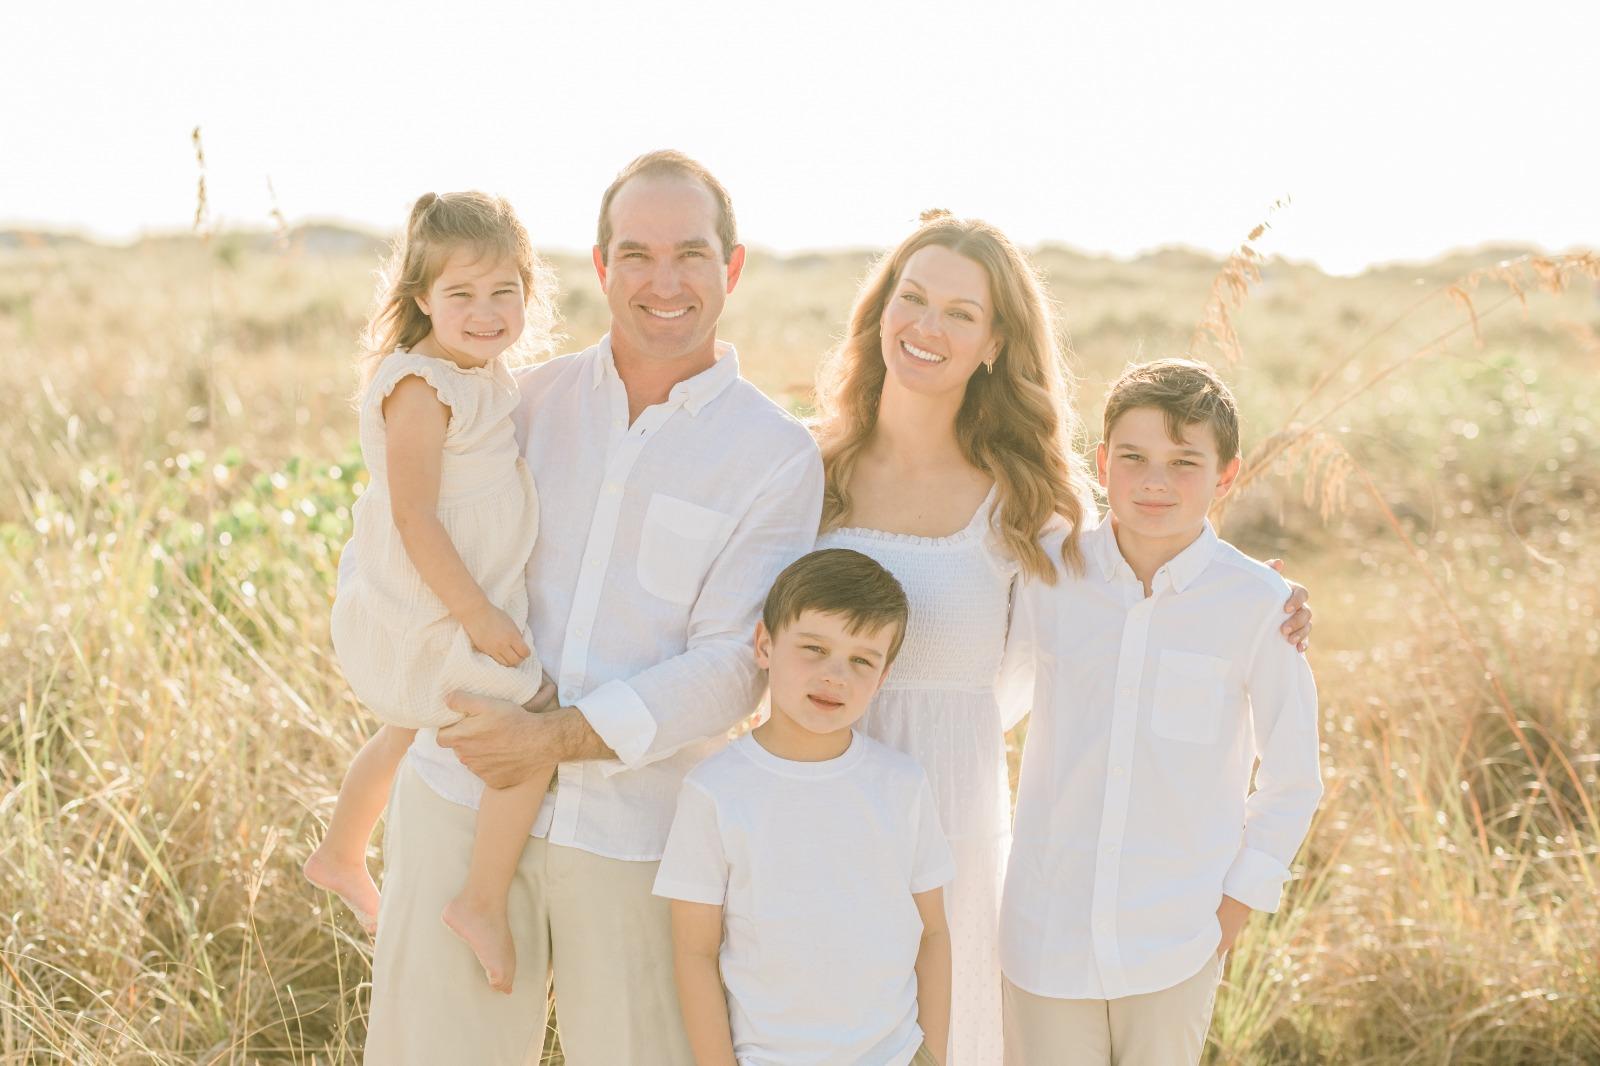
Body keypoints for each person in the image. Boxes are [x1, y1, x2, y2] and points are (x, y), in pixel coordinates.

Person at [810, 211, 1314, 1064]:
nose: (929, 325)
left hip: (956, 817)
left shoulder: (1028, 510)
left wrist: (1256, 593)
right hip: (814, 805)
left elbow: (1144, 558)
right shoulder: (803, 469)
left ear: (996, 342)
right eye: (914, 298)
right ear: (880, 307)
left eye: (961, 312)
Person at [360, 152, 824, 1065]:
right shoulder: (520, 402)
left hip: (636, 831)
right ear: (603, 266)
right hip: (461, 797)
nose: (664, 281)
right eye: (636, 254)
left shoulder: (774, 455)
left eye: (690, 254)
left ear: (731, 267)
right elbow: (414, 541)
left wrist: (554, 739)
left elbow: (734, 663)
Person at [998, 359, 1324, 1065]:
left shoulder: (1257, 605)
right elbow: (990, 705)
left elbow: (1294, 780)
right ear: (1102, 463)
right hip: (1045, 934)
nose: (1155, 481)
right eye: (1134, 458)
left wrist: (1229, 915)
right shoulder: (1048, 574)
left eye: (1184, 463)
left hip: (1175, 942)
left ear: (1226, 476)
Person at [302, 190, 559, 994]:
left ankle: (341, 852)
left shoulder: (483, 374)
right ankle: (480, 900)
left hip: (453, 594)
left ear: (528, 291)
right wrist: (478, 616)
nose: (486, 312)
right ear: (421, 298)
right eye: (461, 294)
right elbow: (413, 516)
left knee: (408, 725)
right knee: (532, 726)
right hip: (436, 599)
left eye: (504, 292)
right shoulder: (420, 385)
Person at [656, 548, 954, 1066]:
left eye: (862, 660)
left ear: (882, 677)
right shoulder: (715, 791)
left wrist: (935, 1056)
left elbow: (932, 932)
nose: (836, 675)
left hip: (895, 1054)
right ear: (765, 645)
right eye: (814, 648)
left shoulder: (902, 783)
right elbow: (694, 952)